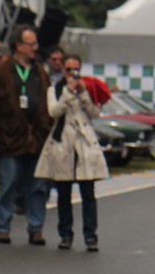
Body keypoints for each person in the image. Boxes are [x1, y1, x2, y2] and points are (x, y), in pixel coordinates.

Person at [0, 25, 51, 245]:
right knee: (9, 182)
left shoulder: (40, 71)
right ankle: (3, 226)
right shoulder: (0, 73)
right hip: (10, 138)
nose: (35, 48)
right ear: (18, 46)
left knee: (38, 184)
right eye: (31, 44)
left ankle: (36, 227)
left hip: (36, 139)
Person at [36, 53, 109, 251]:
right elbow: (53, 112)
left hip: (83, 143)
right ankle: (65, 234)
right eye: (68, 69)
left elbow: (95, 113)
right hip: (63, 143)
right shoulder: (55, 89)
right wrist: (68, 93)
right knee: (63, 193)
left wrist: (84, 95)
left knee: (88, 193)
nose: (71, 74)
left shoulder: (88, 87)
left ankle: (90, 236)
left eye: (75, 70)